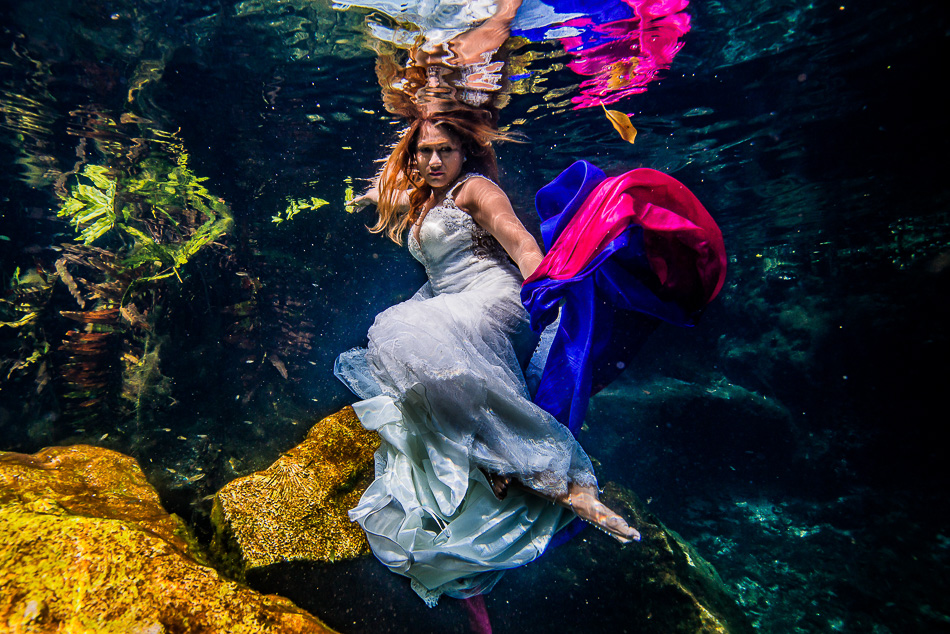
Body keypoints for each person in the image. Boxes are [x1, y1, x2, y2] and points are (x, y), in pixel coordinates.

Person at [337, 109, 638, 606]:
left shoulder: (475, 188)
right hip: (447, 303)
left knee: (401, 332)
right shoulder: (420, 196)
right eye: (424, 151)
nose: (434, 161)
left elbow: (518, 239)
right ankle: (491, 456)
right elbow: (388, 189)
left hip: (494, 298)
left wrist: (546, 285)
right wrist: (371, 193)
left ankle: (559, 480)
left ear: (464, 153)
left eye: (445, 151)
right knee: (395, 351)